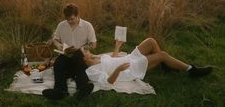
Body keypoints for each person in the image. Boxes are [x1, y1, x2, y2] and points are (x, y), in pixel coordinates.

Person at [83, 37, 213, 86]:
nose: (87, 50)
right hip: (128, 68)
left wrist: (117, 46)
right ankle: (192, 70)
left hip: (128, 58)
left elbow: (113, 58)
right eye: (85, 51)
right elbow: (108, 82)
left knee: (151, 41)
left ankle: (166, 64)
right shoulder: (91, 71)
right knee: (162, 54)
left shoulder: (96, 57)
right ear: (83, 59)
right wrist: (118, 70)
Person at [43, 3, 97, 100]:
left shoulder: (87, 26)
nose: (70, 21)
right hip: (65, 54)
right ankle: (60, 91)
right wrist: (59, 45)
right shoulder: (61, 25)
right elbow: (55, 39)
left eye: (72, 19)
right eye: (68, 19)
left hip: (79, 54)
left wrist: (81, 48)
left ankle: (83, 88)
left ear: (78, 16)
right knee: (58, 64)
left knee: (78, 59)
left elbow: (93, 44)